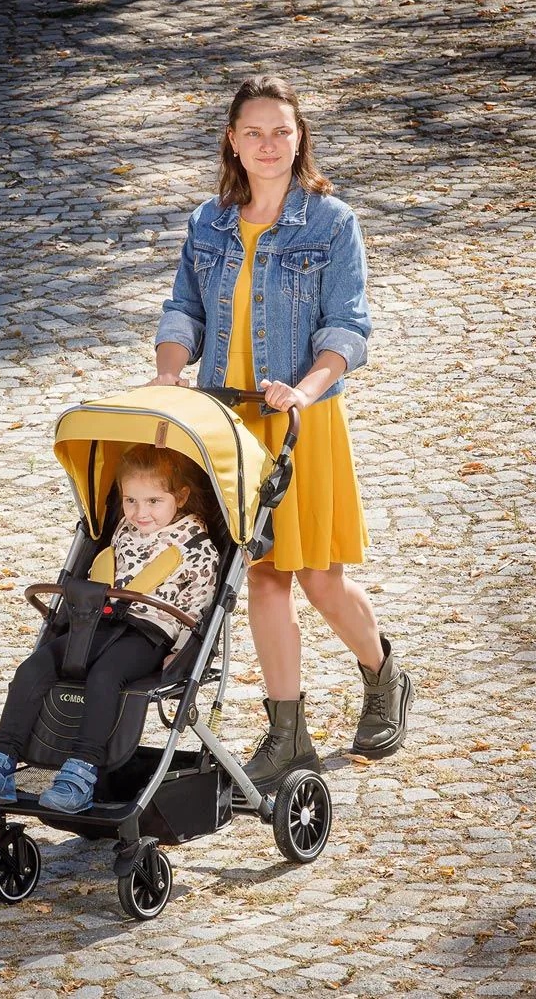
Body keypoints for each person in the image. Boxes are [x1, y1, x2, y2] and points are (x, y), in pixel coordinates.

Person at [150, 75, 413, 794]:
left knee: (320, 580)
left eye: (281, 132)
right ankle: (287, 734)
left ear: (300, 140)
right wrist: (169, 372)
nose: (268, 145)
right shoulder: (209, 222)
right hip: (227, 425)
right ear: (232, 142)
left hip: (300, 422)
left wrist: (304, 389)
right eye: (254, 132)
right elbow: (184, 310)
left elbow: (348, 329)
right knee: (261, 576)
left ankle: (383, 674)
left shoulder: (331, 222)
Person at [0, 444, 220, 814]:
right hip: (96, 622)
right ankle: (0, 762)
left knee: (104, 677)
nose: (140, 513)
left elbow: (199, 605)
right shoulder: (123, 529)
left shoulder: (197, 547)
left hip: (148, 633)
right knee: (33, 668)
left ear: (182, 497)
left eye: (154, 501)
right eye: (130, 500)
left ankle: (80, 772)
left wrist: (183, 651)